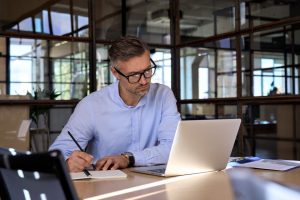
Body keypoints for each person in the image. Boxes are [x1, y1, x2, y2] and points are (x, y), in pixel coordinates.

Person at [49, 36, 180, 172]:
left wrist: (128, 158)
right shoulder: (91, 105)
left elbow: (174, 147)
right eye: (134, 75)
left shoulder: (163, 95)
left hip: (152, 183)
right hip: (104, 185)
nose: (144, 81)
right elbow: (57, 153)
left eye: (147, 70)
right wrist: (68, 162)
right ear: (115, 73)